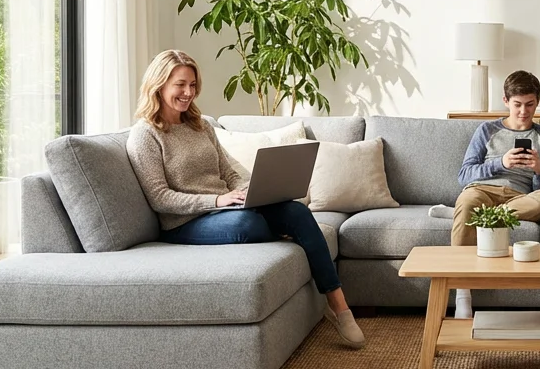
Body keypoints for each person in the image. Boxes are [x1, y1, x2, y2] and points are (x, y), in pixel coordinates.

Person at [125, 49, 365, 348]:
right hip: (185, 222)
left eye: (193, 85)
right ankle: (287, 233)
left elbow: (228, 172)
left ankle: (339, 307)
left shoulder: (201, 126)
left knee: (297, 212)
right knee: (246, 224)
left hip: (229, 207)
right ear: (159, 85)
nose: (188, 93)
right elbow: (160, 198)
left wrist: (249, 190)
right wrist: (216, 202)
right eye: (180, 85)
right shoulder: (145, 135)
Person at [427, 70, 540, 318]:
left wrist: (539, 169)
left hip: (521, 197)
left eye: (530, 104)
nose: (524, 111)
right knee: (469, 199)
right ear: (506, 101)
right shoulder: (487, 129)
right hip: (482, 191)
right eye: (517, 104)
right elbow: (464, 175)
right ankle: (463, 293)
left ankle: (470, 214)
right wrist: (501, 163)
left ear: (538, 101)